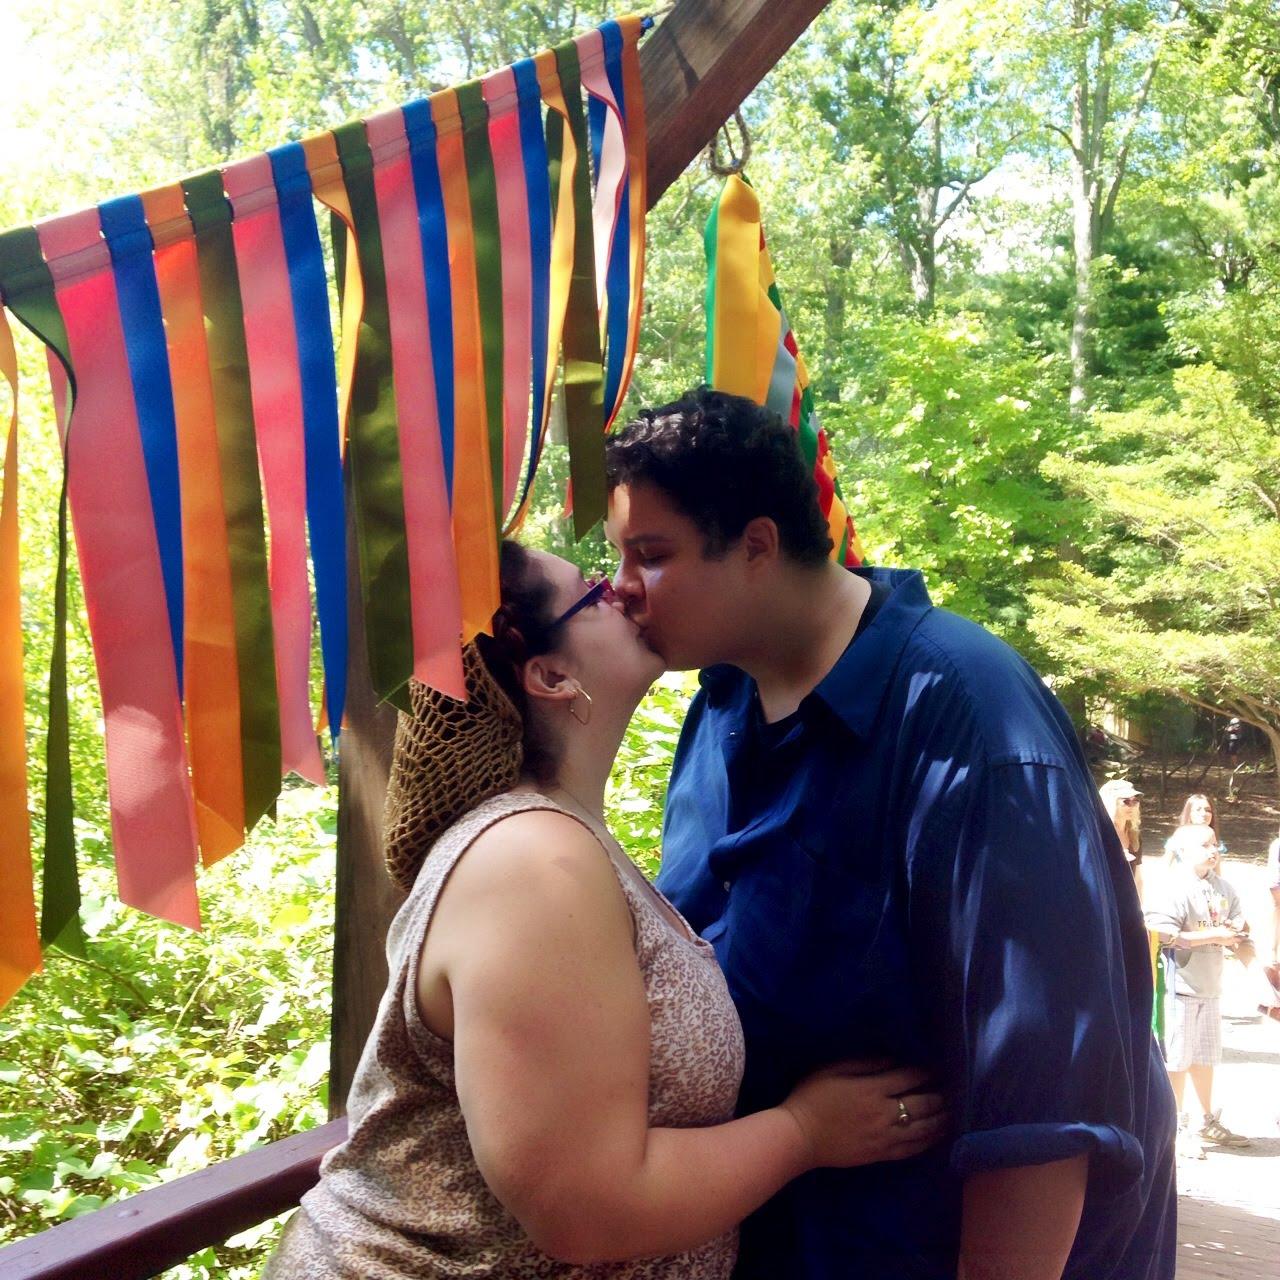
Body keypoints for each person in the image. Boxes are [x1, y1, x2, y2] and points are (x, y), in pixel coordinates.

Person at [603, 387, 1176, 1280]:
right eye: (618, 557)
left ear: (756, 546)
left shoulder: (971, 723)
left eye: (652, 554)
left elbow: (1045, 1116)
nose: (620, 588)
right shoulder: (717, 707)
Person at [264, 540, 945, 1279]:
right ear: (551, 675)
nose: (623, 589)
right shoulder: (532, 864)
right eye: (593, 591)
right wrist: (806, 1132)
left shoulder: (563, 841)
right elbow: (584, 1207)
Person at [1145, 823, 1252, 1156]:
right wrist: (1215, 936)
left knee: (1204, 1057)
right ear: (1184, 850)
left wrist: (1236, 930)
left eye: (1216, 844)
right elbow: (1161, 934)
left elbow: (1239, 924)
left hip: (1210, 986)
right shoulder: (1173, 887)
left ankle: (1206, 1120)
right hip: (1178, 987)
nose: (1213, 851)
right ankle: (1174, 1127)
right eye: (1206, 845)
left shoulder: (1224, 888)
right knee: (1177, 1059)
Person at [1098, 778, 1143, 889]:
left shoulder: (1134, 835)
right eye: (1126, 801)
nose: (1132, 806)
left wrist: (1139, 904)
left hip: (1127, 900)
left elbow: (1137, 878)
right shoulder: (1100, 832)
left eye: (1135, 800)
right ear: (1109, 802)